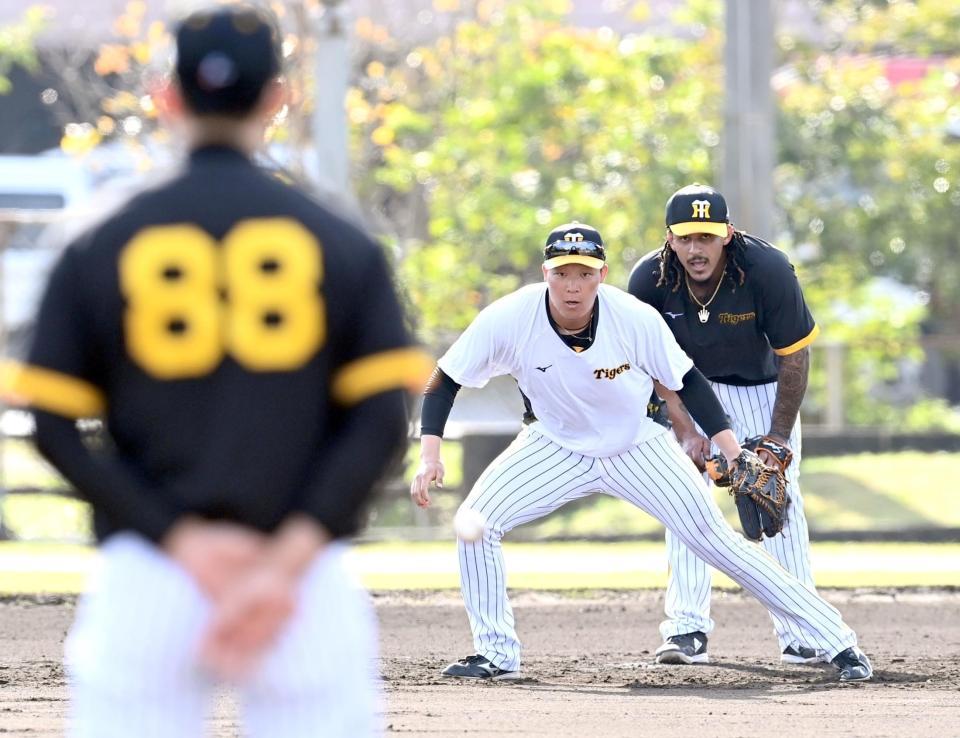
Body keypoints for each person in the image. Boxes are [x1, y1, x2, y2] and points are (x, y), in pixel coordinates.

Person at [0, 5, 430, 736]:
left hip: (150, 571)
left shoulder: (101, 235)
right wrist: (281, 561)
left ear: (167, 97)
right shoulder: (337, 237)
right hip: (302, 580)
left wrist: (182, 543)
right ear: (277, 98)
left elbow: (52, 426)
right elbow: (384, 419)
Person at [409, 221, 872, 683]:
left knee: (717, 543)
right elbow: (442, 380)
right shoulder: (509, 318)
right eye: (562, 273)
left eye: (584, 273)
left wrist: (732, 451)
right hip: (554, 444)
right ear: (544, 272)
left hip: (636, 445)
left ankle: (837, 641)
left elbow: (687, 382)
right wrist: (430, 455)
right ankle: (495, 653)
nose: (573, 286)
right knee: (476, 524)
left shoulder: (632, 316)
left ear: (603, 274)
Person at [628, 183, 825, 667]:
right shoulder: (649, 282)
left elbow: (795, 359)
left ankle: (802, 632)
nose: (697, 249)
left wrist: (777, 440)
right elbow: (648, 363)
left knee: (777, 497)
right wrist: (682, 428)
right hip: (689, 391)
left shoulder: (768, 269)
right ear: (670, 238)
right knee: (682, 497)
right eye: (687, 238)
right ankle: (686, 630)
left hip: (762, 389)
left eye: (708, 237)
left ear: (728, 235)